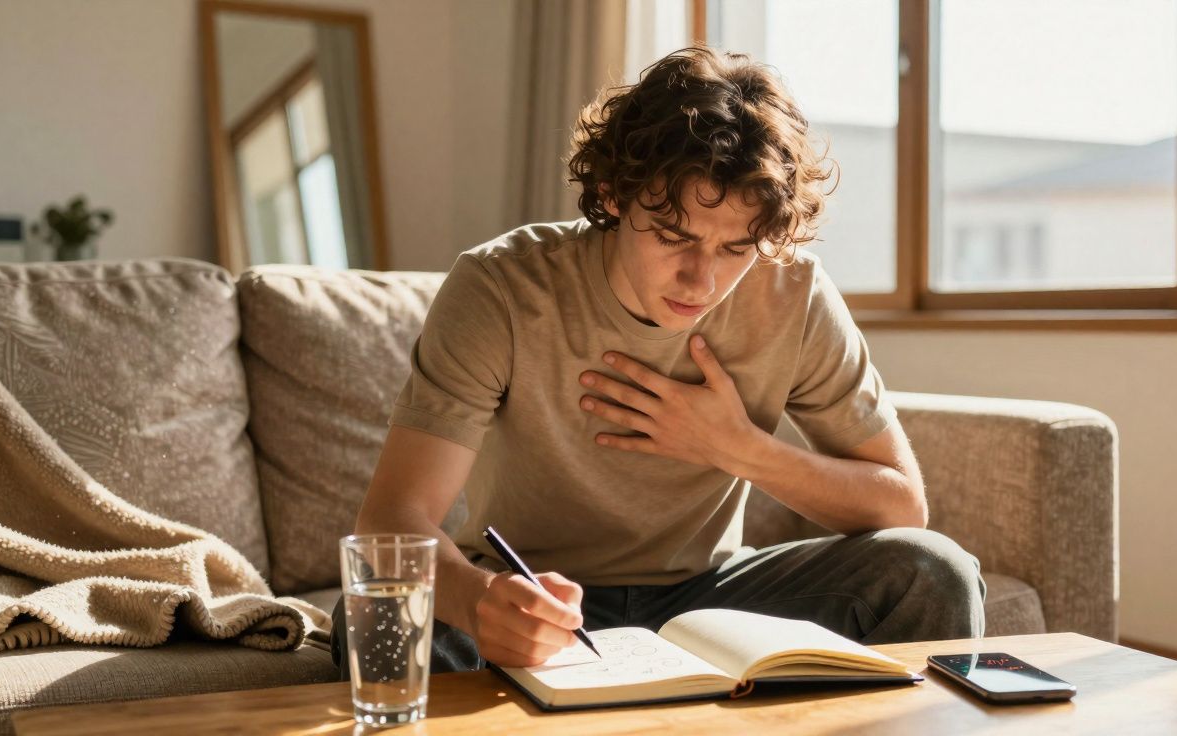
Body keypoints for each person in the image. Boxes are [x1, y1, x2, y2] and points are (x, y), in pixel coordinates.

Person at [332, 46, 985, 677]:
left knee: (931, 571)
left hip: (706, 594)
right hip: (534, 592)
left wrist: (735, 447)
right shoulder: (502, 287)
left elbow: (902, 508)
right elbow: (391, 519)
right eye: (675, 236)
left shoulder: (794, 294)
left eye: (735, 248)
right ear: (615, 195)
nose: (700, 281)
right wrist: (478, 601)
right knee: (371, 617)